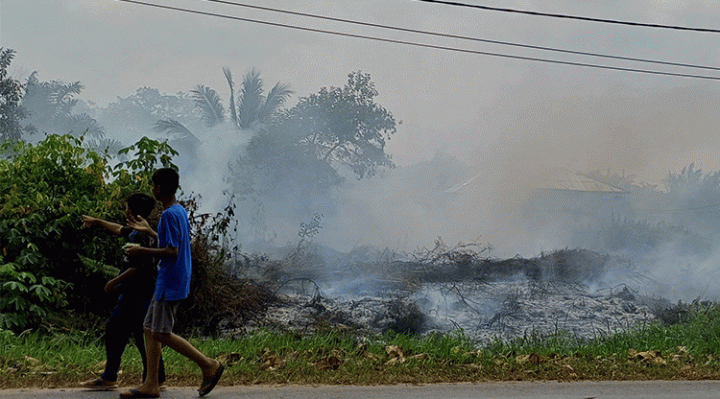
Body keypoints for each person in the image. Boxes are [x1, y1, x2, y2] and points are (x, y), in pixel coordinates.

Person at [120, 168, 224, 399]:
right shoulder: (177, 211)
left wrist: (141, 250)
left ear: (160, 188)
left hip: (170, 279)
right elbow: (172, 242)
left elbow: (172, 251)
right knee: (149, 329)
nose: (152, 189)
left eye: (154, 185)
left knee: (161, 333)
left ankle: (208, 365)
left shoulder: (168, 215)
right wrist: (150, 232)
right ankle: (151, 383)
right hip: (174, 278)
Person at [80, 193, 166, 390]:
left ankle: (117, 377)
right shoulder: (139, 228)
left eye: (126, 206)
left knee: (121, 331)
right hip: (138, 292)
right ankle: (154, 378)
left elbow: (139, 267)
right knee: (135, 333)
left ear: (131, 210)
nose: (124, 209)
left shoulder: (140, 234)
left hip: (139, 292)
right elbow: (119, 229)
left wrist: (114, 282)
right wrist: (98, 221)